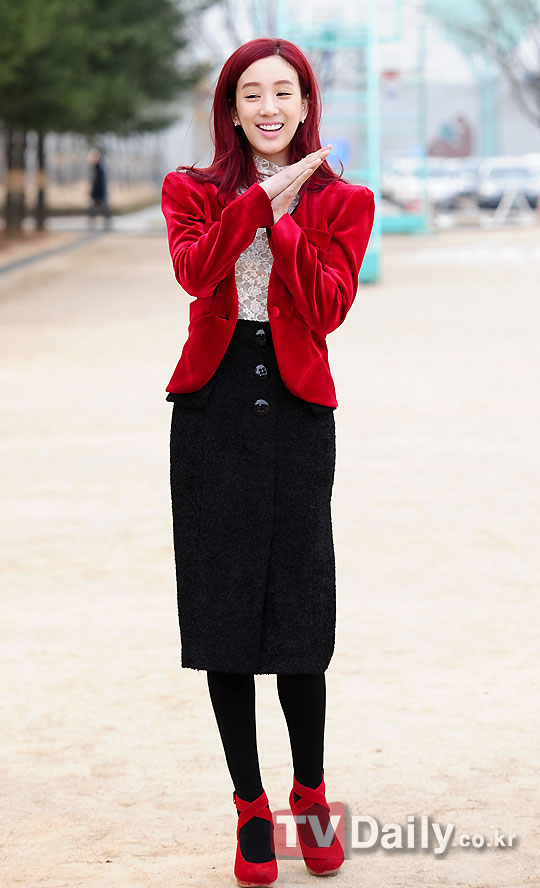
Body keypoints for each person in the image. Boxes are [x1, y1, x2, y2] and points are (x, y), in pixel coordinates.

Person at [161, 37, 375, 887]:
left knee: (298, 609)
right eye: (251, 93)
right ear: (232, 107)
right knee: (221, 609)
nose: (269, 107)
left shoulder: (346, 200)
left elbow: (326, 307)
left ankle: (309, 792)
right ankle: (250, 807)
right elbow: (195, 272)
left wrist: (284, 220)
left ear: (305, 102)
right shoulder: (191, 190)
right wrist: (253, 203)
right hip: (211, 412)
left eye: (283, 91)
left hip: (296, 413)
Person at [87, 146, 111, 229]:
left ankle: (106, 224)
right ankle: (94, 224)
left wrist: (94, 193)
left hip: (99, 193)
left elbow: (100, 183)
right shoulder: (96, 167)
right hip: (96, 193)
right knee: (94, 210)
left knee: (102, 209)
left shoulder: (100, 168)